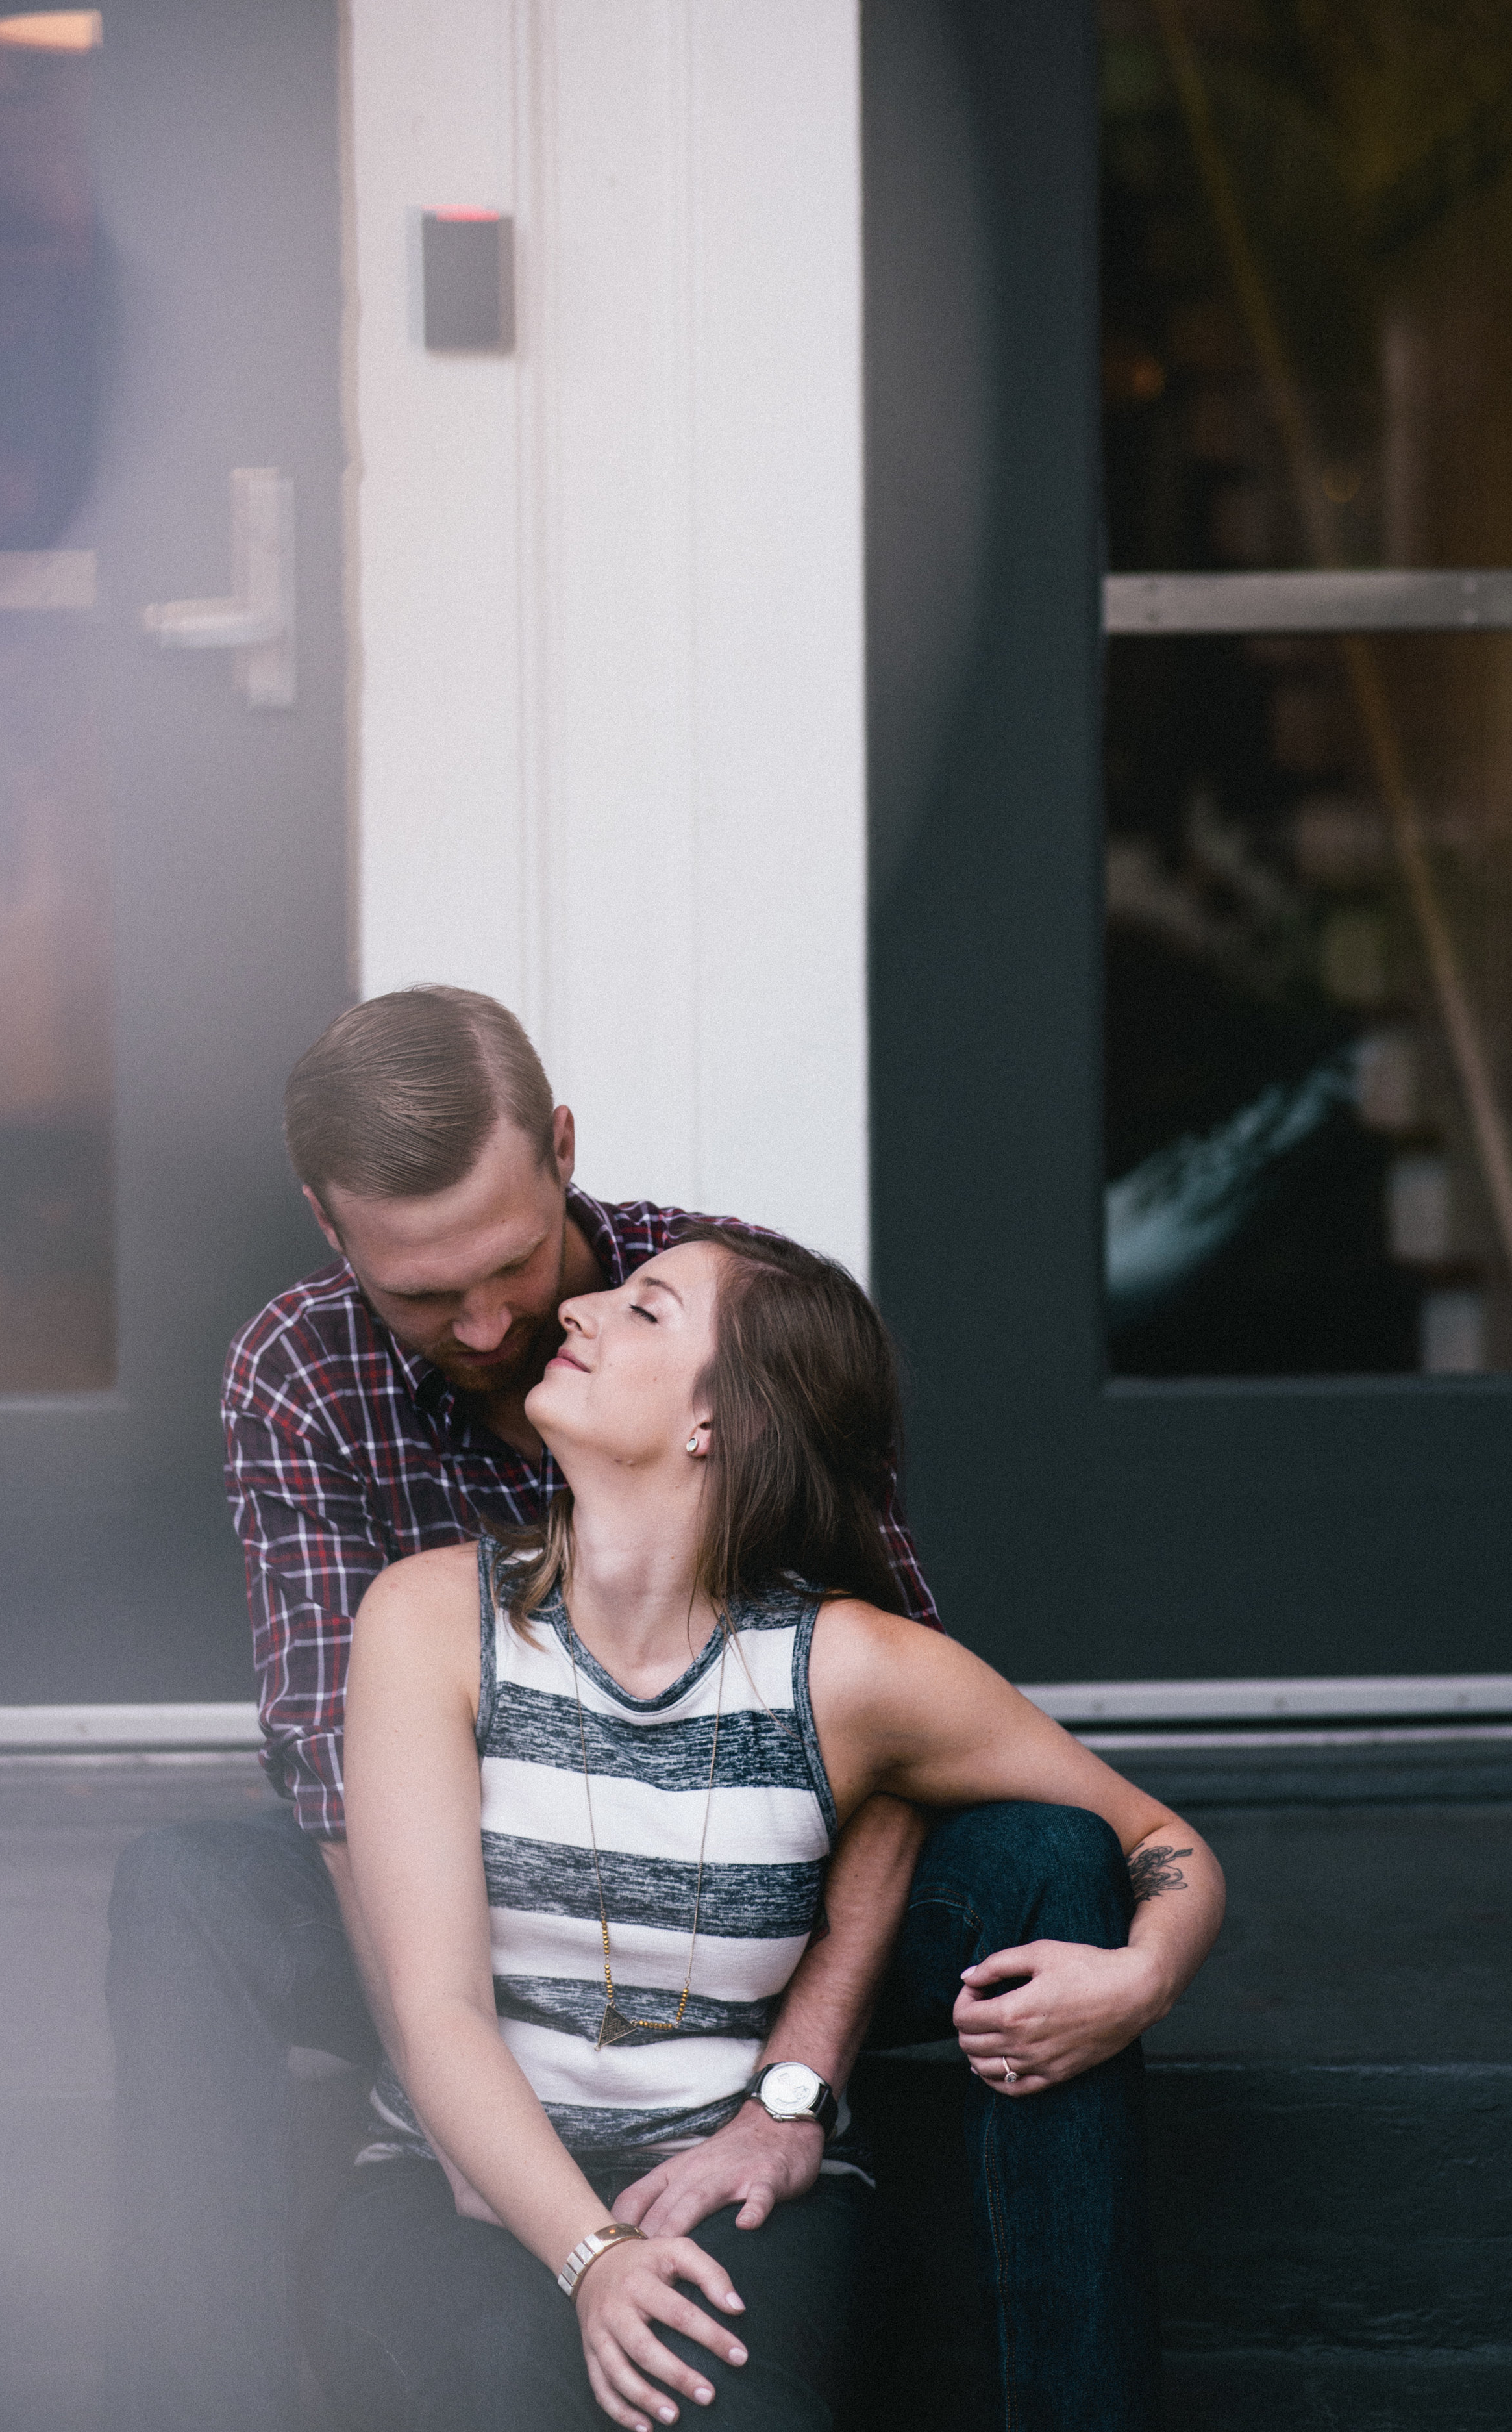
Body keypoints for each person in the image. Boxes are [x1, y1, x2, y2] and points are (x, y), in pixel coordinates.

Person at [103, 986, 1202, 2432]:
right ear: (330, 1223)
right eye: (423, 1296)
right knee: (184, 1897)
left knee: (1052, 1867)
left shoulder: (727, 1318)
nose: (495, 1323)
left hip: (753, 1894)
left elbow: (881, 1731)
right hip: (455, 1878)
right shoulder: (302, 1376)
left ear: (558, 1145)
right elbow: (330, 1776)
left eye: (509, 1265)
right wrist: (475, 2120)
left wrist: (792, 2083)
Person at [313, 1226, 1224, 2431]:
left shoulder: (847, 1670)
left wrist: (1145, 1973)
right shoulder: (430, 1622)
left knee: (736, 2413)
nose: (579, 1310)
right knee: (502, 2393)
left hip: (734, 2191)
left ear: (718, 1426)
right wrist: (592, 2255)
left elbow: (1158, 1837)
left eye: (644, 1312)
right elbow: (435, 2008)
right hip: (451, 2196)